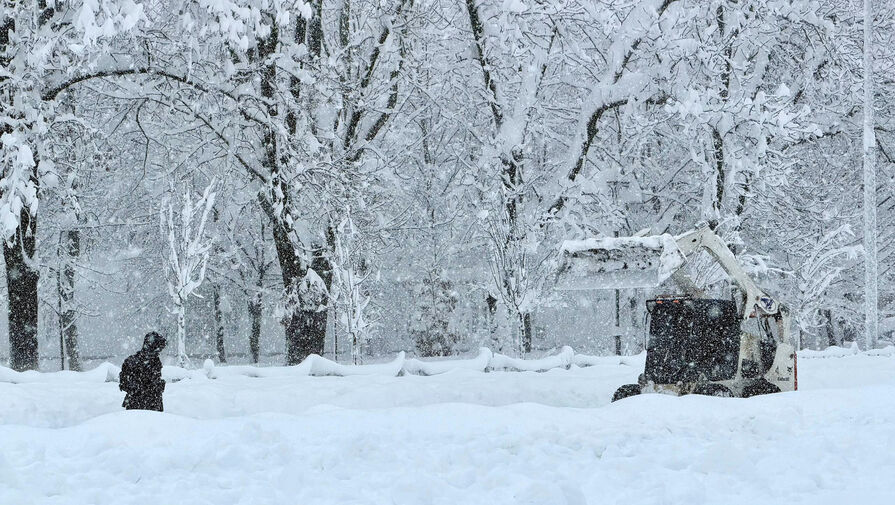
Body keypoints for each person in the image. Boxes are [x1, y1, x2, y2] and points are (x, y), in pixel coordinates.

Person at [120, 331, 167, 411]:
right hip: (141, 404)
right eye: (158, 349)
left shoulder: (154, 361)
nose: (159, 352)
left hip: (147, 403)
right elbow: (124, 384)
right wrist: (150, 387)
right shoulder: (133, 361)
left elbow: (124, 384)